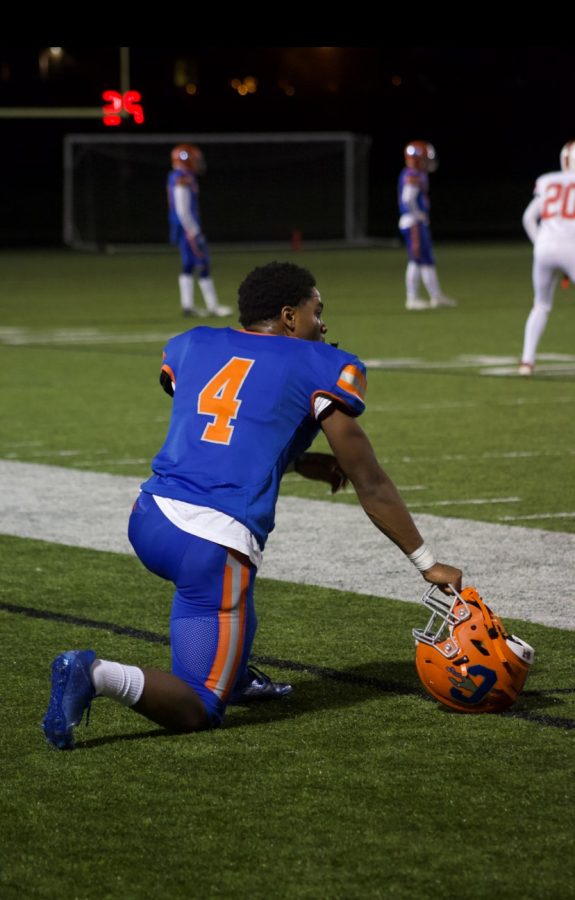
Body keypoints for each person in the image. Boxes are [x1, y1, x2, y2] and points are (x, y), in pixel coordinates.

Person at [42, 261, 463, 750]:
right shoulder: (322, 365)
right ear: (288, 316)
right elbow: (370, 481)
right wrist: (426, 562)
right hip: (211, 544)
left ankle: (237, 675)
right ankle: (95, 674)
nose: (323, 324)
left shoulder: (194, 343)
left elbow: (229, 429)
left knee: (235, 605)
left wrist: (302, 461)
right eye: (316, 311)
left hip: (151, 515)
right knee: (199, 706)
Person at [519, 140, 575, 375]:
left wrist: (539, 244)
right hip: (571, 246)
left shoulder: (548, 180)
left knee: (541, 305)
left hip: (543, 247)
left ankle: (526, 362)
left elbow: (528, 217)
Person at [167, 143, 231, 318]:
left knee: (188, 264)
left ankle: (187, 306)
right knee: (204, 264)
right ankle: (213, 306)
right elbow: (182, 208)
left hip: (181, 227)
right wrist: (192, 230)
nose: (197, 163)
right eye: (194, 160)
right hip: (188, 228)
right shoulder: (182, 177)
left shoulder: (176, 175)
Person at [398, 140, 457, 311]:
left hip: (415, 222)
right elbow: (407, 199)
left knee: (422, 260)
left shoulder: (414, 173)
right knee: (420, 260)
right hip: (413, 222)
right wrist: (417, 214)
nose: (427, 161)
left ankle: (433, 296)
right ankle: (416, 298)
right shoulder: (413, 174)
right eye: (424, 158)